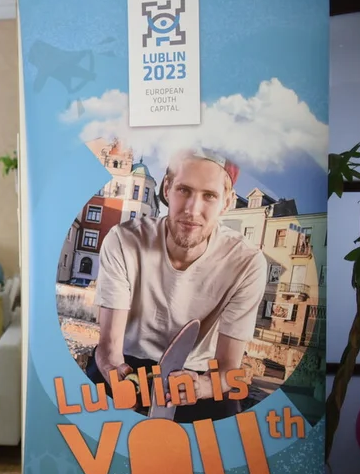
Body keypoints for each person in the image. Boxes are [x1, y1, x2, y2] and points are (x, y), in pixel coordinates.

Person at [88, 147, 267, 421]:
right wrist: (117, 375)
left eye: (209, 196)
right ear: (167, 189)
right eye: (184, 190)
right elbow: (109, 348)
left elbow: (228, 368)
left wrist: (202, 386)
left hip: (198, 374)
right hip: (128, 361)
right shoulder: (123, 241)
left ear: (227, 202)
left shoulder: (247, 262)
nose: (192, 210)